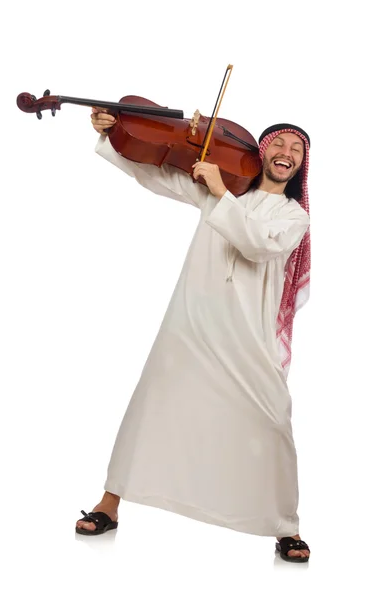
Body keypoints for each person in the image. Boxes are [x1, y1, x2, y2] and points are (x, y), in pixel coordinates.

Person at [75, 108, 311, 563]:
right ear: (262, 152)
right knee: (153, 404)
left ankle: (286, 525)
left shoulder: (293, 217)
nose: (286, 153)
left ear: (302, 164)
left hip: (249, 334)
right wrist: (114, 138)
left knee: (272, 421)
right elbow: (157, 174)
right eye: (279, 144)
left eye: (296, 149)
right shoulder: (220, 190)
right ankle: (110, 502)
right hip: (193, 320)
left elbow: (257, 244)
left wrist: (220, 191)